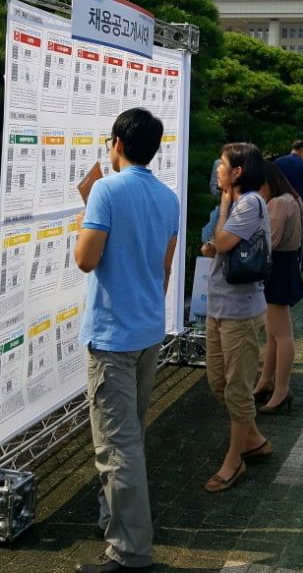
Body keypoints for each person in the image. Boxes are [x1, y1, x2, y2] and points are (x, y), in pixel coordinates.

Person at [74, 108, 180, 573]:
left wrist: (89, 211)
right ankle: (112, 519)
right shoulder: (168, 196)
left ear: (116, 143)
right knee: (129, 434)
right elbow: (163, 269)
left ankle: (130, 552)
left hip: (112, 333)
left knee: (116, 446)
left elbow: (85, 259)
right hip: (147, 330)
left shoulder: (105, 189)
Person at [200, 143, 272, 492]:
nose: (218, 170)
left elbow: (225, 241)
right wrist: (215, 241)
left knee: (238, 389)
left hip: (241, 311)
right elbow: (217, 243)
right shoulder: (233, 203)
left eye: (223, 165)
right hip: (219, 305)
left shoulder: (249, 202)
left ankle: (235, 461)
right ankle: (254, 439)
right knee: (218, 383)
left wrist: (225, 204)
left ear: (238, 172)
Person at [253, 161, 303, 414]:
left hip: (277, 268)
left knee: (281, 334)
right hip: (287, 265)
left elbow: (268, 242)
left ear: (267, 182)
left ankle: (282, 388)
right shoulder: (292, 198)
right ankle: (267, 381)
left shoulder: (277, 203)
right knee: (275, 333)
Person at [275, 140, 303, 271]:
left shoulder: (278, 162)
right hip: (299, 199)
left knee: (281, 230)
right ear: (301, 150)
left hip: (280, 199)